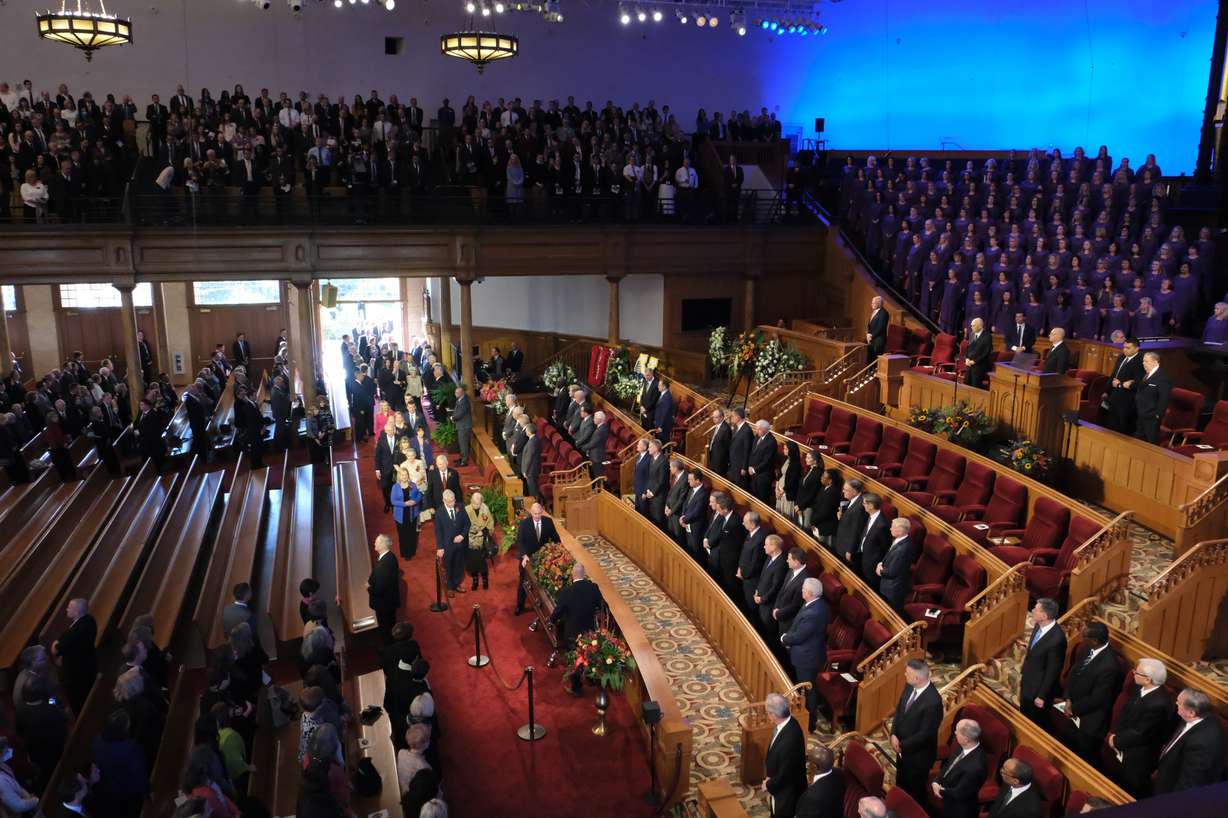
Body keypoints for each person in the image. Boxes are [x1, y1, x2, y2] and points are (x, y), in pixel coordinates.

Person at [1056, 621, 1122, 763]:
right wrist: (1068, 698)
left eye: (1084, 636)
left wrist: (1073, 708)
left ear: (1095, 641)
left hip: (1091, 718)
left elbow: (1098, 698)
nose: (1081, 639)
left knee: (1082, 756)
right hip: (1073, 704)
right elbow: (1074, 673)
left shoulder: (1110, 666)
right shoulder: (1087, 648)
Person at [1107, 658, 1172, 797]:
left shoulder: (1159, 704)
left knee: (1129, 791)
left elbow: (1140, 733)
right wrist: (1116, 735)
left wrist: (1116, 740)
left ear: (1148, 679)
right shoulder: (1139, 687)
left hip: (1138, 757)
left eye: (1136, 672)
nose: (1133, 673)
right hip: (1124, 744)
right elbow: (1126, 712)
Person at [1153, 688, 1226, 794]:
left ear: (1191, 713)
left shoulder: (1200, 743)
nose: (1176, 703)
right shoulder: (1196, 715)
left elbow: (1188, 783)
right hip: (1166, 773)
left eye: (1179, 703)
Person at [891, 659, 942, 806]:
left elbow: (926, 734)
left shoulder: (933, 702)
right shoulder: (909, 686)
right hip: (901, 751)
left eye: (907, 673)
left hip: (918, 758)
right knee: (900, 785)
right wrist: (893, 733)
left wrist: (902, 745)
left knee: (913, 795)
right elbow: (899, 711)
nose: (904, 675)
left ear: (917, 678)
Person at [779, 578, 828, 731]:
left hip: (807, 658)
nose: (801, 591)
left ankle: (810, 723)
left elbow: (800, 636)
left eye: (803, 589)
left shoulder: (813, 612)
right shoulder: (816, 604)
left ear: (810, 593)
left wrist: (784, 638)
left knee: (807, 690)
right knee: (805, 689)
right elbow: (797, 626)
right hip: (807, 654)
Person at [552, 563, 605, 695]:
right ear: (584, 574)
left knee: (575, 659)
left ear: (572, 575)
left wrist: (552, 620)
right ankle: (591, 678)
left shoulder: (567, 592)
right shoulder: (593, 588)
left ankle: (576, 688)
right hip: (589, 630)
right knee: (590, 654)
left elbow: (557, 612)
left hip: (572, 631)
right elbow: (601, 605)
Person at [1019, 597, 1066, 727]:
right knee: (1023, 716)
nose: (1032, 610)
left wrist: (1042, 696)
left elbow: (1053, 671)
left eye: (1036, 609)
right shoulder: (1038, 625)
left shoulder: (1057, 640)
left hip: (1038, 690)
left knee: (1033, 723)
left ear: (1044, 616)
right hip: (1028, 682)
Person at [932, 719, 988, 818]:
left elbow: (960, 792)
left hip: (959, 810)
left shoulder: (976, 767)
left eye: (957, 731)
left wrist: (940, 789)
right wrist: (936, 781)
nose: (955, 733)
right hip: (948, 801)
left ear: (966, 739)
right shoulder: (963, 747)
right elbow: (947, 768)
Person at [762, 692, 805, 818]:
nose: (767, 715)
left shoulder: (789, 741)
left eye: (767, 713)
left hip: (786, 793)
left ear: (773, 715)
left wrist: (768, 784)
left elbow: (785, 774)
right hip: (778, 782)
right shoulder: (789, 722)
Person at [51, 596, 96, 715]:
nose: (66, 609)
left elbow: (57, 650)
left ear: (77, 611)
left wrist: (55, 644)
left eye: (69, 607)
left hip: (76, 673)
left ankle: (79, 719)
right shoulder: (89, 620)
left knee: (77, 700)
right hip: (86, 667)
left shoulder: (78, 628)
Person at [515, 502, 559, 614]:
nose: (537, 516)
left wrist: (555, 554)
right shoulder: (524, 524)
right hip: (527, 558)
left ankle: (544, 609)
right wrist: (524, 555)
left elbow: (556, 540)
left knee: (544, 584)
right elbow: (520, 541)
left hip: (543, 558)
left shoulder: (548, 522)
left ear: (542, 511)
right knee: (523, 581)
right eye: (535, 514)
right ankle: (519, 605)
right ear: (531, 512)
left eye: (539, 513)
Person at [398, 723, 440, 817]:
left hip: (404, 792)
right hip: (414, 800)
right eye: (428, 739)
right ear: (425, 744)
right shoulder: (424, 768)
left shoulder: (401, 752)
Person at [1103, 338, 1144, 434]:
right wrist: (1107, 391)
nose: (1124, 349)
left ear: (1137, 348)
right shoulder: (1121, 357)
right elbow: (1114, 374)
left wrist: (1120, 384)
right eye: (1124, 347)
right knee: (1110, 425)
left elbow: (1137, 383)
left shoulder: (1140, 362)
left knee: (1121, 428)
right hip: (1114, 396)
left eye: (1128, 348)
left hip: (1127, 400)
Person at [367, 534, 402, 641]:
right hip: (389, 602)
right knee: (390, 625)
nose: (374, 543)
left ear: (382, 545)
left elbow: (379, 589)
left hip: (384, 605)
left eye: (376, 542)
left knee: (386, 629)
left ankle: (389, 645)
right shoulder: (390, 556)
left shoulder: (384, 564)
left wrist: (368, 587)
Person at [876, 517, 914, 614]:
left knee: (889, 613)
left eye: (893, 527)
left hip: (892, 589)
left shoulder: (902, 550)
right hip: (890, 586)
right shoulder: (901, 540)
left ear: (900, 530)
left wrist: (880, 570)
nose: (890, 529)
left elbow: (892, 573)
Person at [794, 745, 845, 818]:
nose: (807, 765)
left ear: (815, 767)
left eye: (809, 762)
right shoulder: (839, 774)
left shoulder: (810, 798)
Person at [1133, 351, 1171, 444]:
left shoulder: (1162, 378)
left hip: (1151, 418)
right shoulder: (1147, 374)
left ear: (1155, 362)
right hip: (1141, 415)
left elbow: (1164, 398)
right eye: (1143, 361)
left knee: (1150, 443)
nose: (1143, 363)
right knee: (1138, 442)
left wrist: (1157, 415)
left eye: (1146, 361)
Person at [736, 511, 768, 613]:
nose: (743, 524)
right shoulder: (751, 533)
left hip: (752, 580)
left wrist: (744, 574)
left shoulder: (760, 539)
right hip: (745, 575)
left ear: (753, 524)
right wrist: (740, 568)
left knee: (752, 607)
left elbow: (756, 564)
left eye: (745, 522)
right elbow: (744, 552)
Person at [465, 490, 494, 591]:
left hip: (481, 542)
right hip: (470, 542)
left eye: (477, 504)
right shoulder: (466, 510)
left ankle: (485, 580)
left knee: (482, 563)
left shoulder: (485, 509)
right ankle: (475, 580)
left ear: (481, 502)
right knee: (472, 563)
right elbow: (462, 525)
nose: (475, 505)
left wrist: (483, 532)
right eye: (473, 503)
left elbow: (490, 524)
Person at [391, 466, 422, 559]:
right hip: (400, 515)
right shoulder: (395, 487)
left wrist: (415, 501)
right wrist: (405, 504)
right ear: (399, 476)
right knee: (403, 535)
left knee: (412, 534)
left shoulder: (412, 485)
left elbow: (419, 495)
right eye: (402, 475)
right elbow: (393, 501)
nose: (404, 477)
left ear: (408, 475)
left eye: (406, 475)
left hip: (412, 514)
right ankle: (405, 552)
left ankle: (411, 551)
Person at [747, 420, 777, 505]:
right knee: (754, 497)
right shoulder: (757, 436)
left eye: (758, 429)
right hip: (754, 474)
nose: (756, 431)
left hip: (763, 476)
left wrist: (754, 470)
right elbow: (752, 453)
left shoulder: (771, 442)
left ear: (765, 429)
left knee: (762, 500)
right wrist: (750, 466)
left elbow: (767, 461)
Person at [374, 417, 399, 512]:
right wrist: (377, 469)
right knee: (385, 487)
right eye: (388, 430)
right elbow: (377, 455)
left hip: (397, 469)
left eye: (392, 430)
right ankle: (387, 504)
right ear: (385, 431)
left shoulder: (399, 438)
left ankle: (394, 504)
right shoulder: (382, 439)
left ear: (394, 430)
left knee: (395, 487)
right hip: (385, 468)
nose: (390, 432)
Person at [727, 407, 754, 489]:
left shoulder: (747, 430)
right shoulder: (736, 427)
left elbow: (747, 450)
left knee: (740, 487)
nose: (731, 418)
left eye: (733, 416)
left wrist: (744, 467)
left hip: (740, 465)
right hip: (733, 463)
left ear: (738, 417)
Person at [964, 317, 993, 388]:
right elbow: (968, 348)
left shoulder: (987, 336)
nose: (971, 327)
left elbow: (986, 353)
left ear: (980, 326)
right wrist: (967, 358)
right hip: (969, 365)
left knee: (974, 387)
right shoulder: (972, 334)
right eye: (971, 325)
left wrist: (974, 361)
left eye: (973, 325)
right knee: (966, 386)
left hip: (979, 366)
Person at [707, 408, 731, 476]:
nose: (714, 419)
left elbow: (727, 447)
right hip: (713, 457)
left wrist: (725, 461)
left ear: (722, 417)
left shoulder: (726, 429)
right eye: (713, 417)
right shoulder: (716, 426)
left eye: (716, 417)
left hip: (720, 462)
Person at [451, 385, 472, 466]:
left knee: (463, 444)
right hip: (461, 425)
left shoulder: (464, 401)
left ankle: (464, 461)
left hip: (464, 426)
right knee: (461, 443)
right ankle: (462, 458)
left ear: (461, 393)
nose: (455, 394)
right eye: (455, 392)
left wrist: (453, 418)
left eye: (457, 393)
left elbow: (460, 414)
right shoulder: (460, 400)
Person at [653, 379, 676, 443]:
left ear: (664, 386)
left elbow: (665, 414)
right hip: (659, 424)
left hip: (663, 427)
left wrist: (661, 426)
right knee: (658, 442)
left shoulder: (667, 397)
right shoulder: (663, 394)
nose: (658, 387)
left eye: (659, 385)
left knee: (662, 442)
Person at [866, 296, 888, 361]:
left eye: (873, 303)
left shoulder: (884, 313)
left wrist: (871, 336)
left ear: (879, 303)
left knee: (875, 359)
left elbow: (881, 328)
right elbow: (870, 325)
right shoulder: (874, 311)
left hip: (878, 340)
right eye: (872, 303)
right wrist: (868, 334)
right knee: (869, 358)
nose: (871, 304)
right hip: (871, 339)